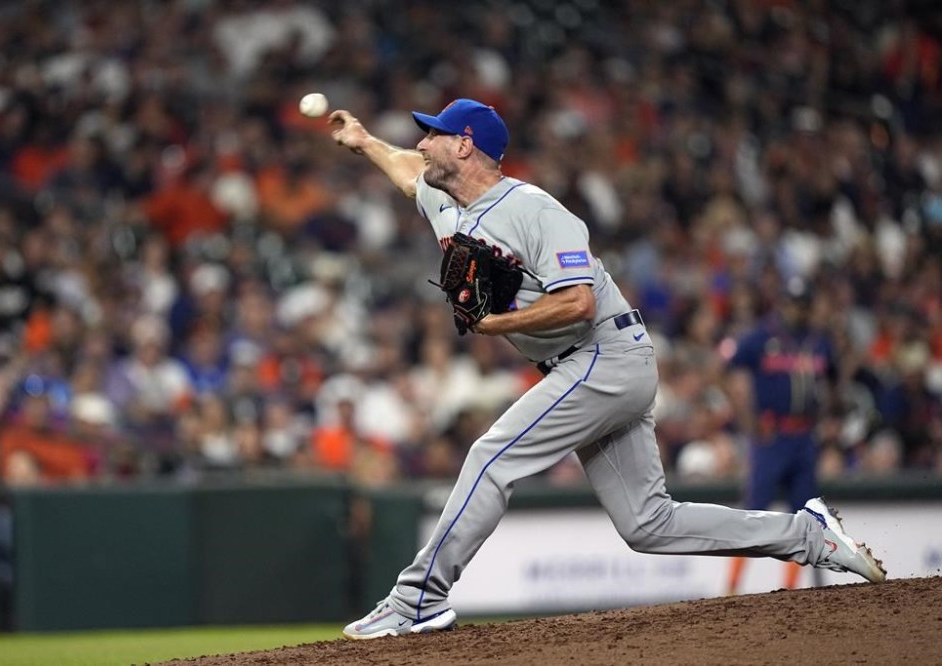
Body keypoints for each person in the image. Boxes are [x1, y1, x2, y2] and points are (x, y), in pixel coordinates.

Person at [328, 98, 886, 640]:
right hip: (577, 365)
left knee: (492, 456)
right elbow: (406, 172)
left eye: (434, 134)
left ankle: (416, 599)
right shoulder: (440, 195)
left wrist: (495, 323)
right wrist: (365, 143)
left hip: (606, 354)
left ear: (466, 145)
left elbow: (578, 302)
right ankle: (810, 536)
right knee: (648, 525)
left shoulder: (534, 210)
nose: (422, 144)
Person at [724, 278, 836, 594]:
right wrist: (746, 420)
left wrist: (828, 420)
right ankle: (731, 587)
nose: (797, 310)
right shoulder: (762, 336)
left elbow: (833, 380)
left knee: (806, 517)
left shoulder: (819, 340)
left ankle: (791, 591)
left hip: (804, 436)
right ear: (783, 304)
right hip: (771, 437)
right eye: (792, 303)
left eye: (802, 304)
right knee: (752, 513)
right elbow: (727, 370)